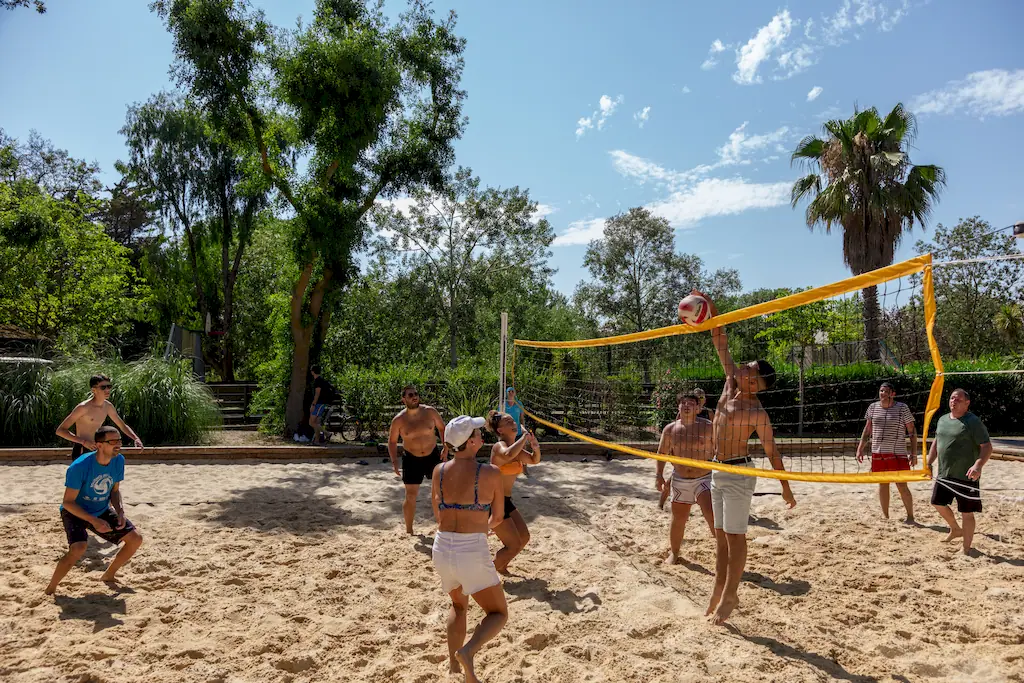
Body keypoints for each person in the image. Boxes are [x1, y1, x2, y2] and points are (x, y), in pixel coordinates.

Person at [698, 291, 796, 626]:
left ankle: (731, 594)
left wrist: (785, 488)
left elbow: (773, 451)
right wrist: (709, 307)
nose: (742, 367)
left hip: (739, 474)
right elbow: (719, 341)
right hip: (716, 470)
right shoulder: (729, 383)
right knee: (720, 535)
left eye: (749, 368)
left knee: (735, 537)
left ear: (755, 382)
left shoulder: (756, 411)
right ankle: (719, 586)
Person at [431, 415, 507, 683]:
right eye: (478, 432)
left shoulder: (438, 471)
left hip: (441, 546)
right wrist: (479, 527)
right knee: (498, 614)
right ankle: (468, 651)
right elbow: (497, 519)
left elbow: (436, 512)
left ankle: (453, 667)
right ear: (472, 441)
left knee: (458, 605)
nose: (481, 434)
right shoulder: (490, 473)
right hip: (470, 549)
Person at [45, 426, 144, 594]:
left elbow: (114, 490)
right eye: (112, 441)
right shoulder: (80, 466)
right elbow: (68, 502)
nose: (118, 444)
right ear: (99, 445)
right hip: (75, 511)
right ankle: (50, 589)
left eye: (119, 440)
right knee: (78, 548)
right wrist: (94, 520)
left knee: (135, 539)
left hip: (100, 509)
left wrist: (120, 512)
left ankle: (109, 575)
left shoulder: (118, 460)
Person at [927, 388, 991, 555]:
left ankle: (966, 549)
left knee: (966, 513)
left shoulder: (973, 421)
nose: (953, 401)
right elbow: (937, 441)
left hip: (966, 475)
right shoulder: (942, 420)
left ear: (967, 403)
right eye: (952, 398)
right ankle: (955, 529)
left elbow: (987, 447)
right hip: (944, 474)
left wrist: (978, 465)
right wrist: (928, 462)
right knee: (937, 503)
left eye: (958, 399)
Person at [655, 391, 716, 564]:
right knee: (678, 519)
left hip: (704, 478)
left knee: (711, 515)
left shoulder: (709, 427)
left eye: (691, 403)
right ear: (678, 407)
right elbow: (662, 454)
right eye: (683, 403)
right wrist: (659, 475)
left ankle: (724, 552)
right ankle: (674, 553)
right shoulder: (670, 429)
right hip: (680, 479)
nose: (687, 405)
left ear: (698, 408)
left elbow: (720, 451)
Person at [486, 410, 541, 575]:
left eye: (513, 421)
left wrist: (536, 447)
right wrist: (524, 438)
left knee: (524, 537)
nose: (513, 423)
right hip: (492, 501)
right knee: (514, 545)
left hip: (505, 500)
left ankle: (501, 565)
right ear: (500, 430)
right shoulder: (499, 447)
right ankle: (486, 573)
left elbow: (533, 460)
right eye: (508, 422)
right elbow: (508, 454)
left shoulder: (517, 450)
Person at [388, 385, 448, 535]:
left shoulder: (430, 412)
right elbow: (392, 441)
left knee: (437, 494)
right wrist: (395, 462)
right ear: (404, 399)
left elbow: (442, 428)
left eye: (415, 394)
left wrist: (446, 447)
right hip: (411, 458)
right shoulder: (399, 420)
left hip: (432, 455)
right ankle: (409, 530)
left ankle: (441, 525)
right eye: (410, 395)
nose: (414, 397)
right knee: (410, 495)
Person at [856, 382, 918, 521]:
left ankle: (910, 516)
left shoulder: (902, 408)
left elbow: (912, 431)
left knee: (902, 485)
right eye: (881, 390)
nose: (882, 393)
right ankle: (885, 517)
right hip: (878, 453)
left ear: (893, 394)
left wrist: (913, 453)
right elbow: (867, 430)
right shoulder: (872, 407)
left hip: (898, 453)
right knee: (883, 484)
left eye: (885, 391)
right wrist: (860, 448)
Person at [55, 374, 143, 458]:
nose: (107, 390)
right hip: (83, 448)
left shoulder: (108, 406)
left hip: (98, 447)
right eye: (103, 387)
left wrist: (136, 438)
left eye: (109, 387)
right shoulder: (83, 407)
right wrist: (83, 442)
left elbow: (122, 426)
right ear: (94, 390)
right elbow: (60, 430)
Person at [659, 387, 716, 510]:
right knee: (669, 482)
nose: (700, 398)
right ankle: (661, 503)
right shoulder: (680, 416)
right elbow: (676, 433)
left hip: (703, 468)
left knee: (710, 509)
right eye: (698, 396)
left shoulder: (708, 414)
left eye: (702, 397)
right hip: (682, 465)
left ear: (704, 399)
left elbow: (714, 433)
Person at [504, 387, 530, 478]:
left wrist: (524, 430)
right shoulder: (503, 405)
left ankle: (525, 469)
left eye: (512, 391)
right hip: (507, 432)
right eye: (509, 391)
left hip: (518, 431)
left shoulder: (519, 404)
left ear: (515, 393)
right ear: (507, 393)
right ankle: (508, 470)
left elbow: (521, 419)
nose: (511, 393)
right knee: (508, 451)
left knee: (524, 448)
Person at [309, 365, 339, 445]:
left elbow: (317, 394)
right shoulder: (321, 380)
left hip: (319, 404)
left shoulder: (318, 381)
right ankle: (316, 441)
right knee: (317, 423)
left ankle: (327, 434)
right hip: (321, 403)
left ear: (312, 372)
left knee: (311, 422)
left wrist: (313, 404)